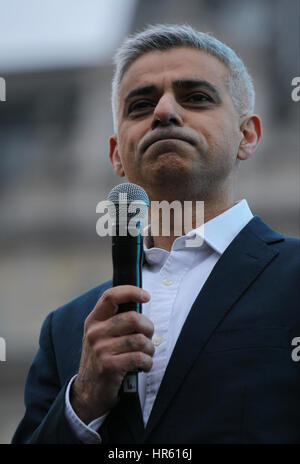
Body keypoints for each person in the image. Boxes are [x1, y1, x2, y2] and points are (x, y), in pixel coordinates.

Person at [12, 24, 300, 444]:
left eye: (196, 97)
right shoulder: (65, 328)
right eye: (140, 105)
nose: (164, 111)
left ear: (248, 135)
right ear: (116, 155)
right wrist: (83, 403)